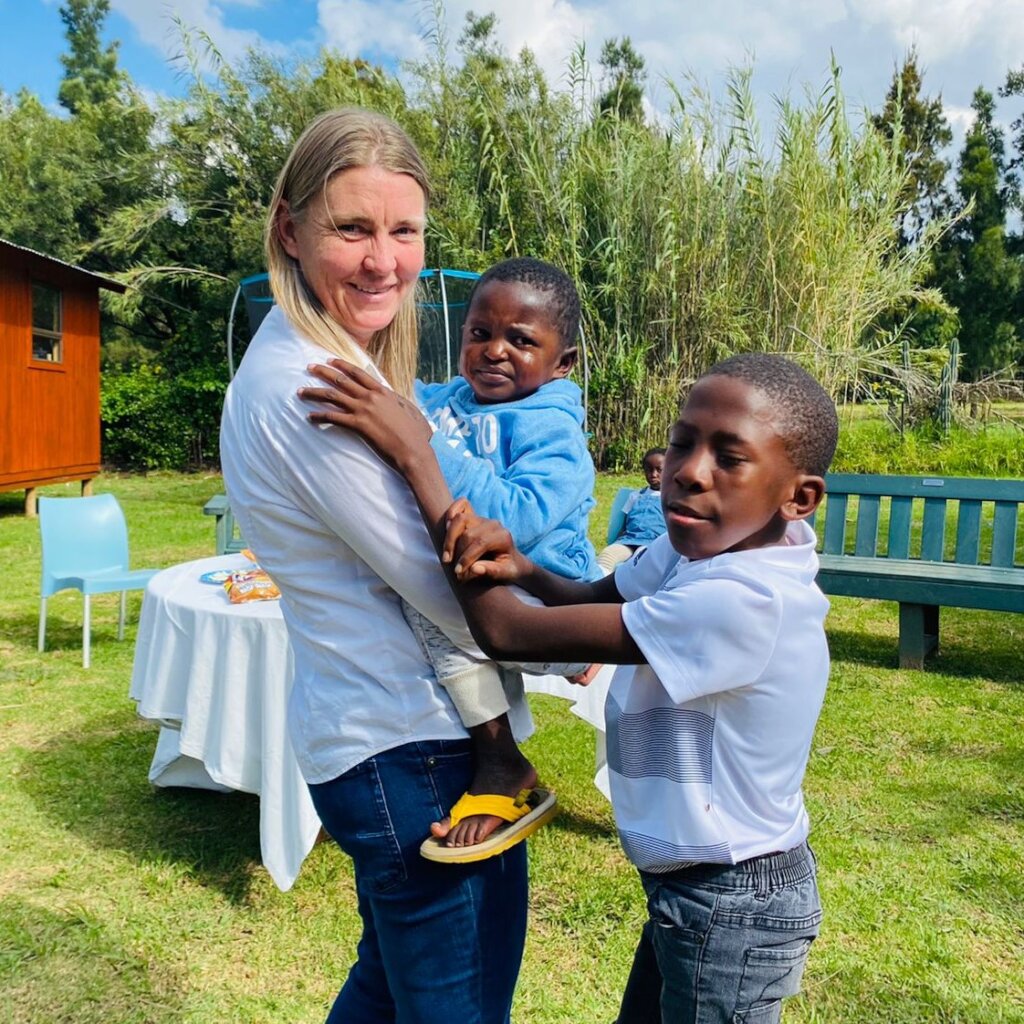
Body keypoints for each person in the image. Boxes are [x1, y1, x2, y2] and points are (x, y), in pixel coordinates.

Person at [301, 351, 838, 1023]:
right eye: (682, 443)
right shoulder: (709, 546)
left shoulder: (747, 600)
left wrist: (418, 459)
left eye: (730, 458)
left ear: (798, 497)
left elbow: (509, 634)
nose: (690, 472)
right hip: (703, 890)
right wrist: (524, 568)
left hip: (734, 900)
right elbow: (588, 598)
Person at [219, 107, 531, 1024]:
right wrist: (594, 632)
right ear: (290, 229)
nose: (384, 261)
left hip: (376, 734)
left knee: (390, 993)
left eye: (405, 232)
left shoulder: (324, 362)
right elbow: (446, 585)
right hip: (417, 745)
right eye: (353, 228)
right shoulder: (314, 387)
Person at [596, 446, 667, 573]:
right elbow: (624, 524)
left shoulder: (671, 498)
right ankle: (598, 581)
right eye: (648, 470)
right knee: (607, 556)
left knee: (642, 563)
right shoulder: (635, 496)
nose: (653, 474)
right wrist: (617, 541)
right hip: (629, 541)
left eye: (659, 470)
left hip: (654, 544)